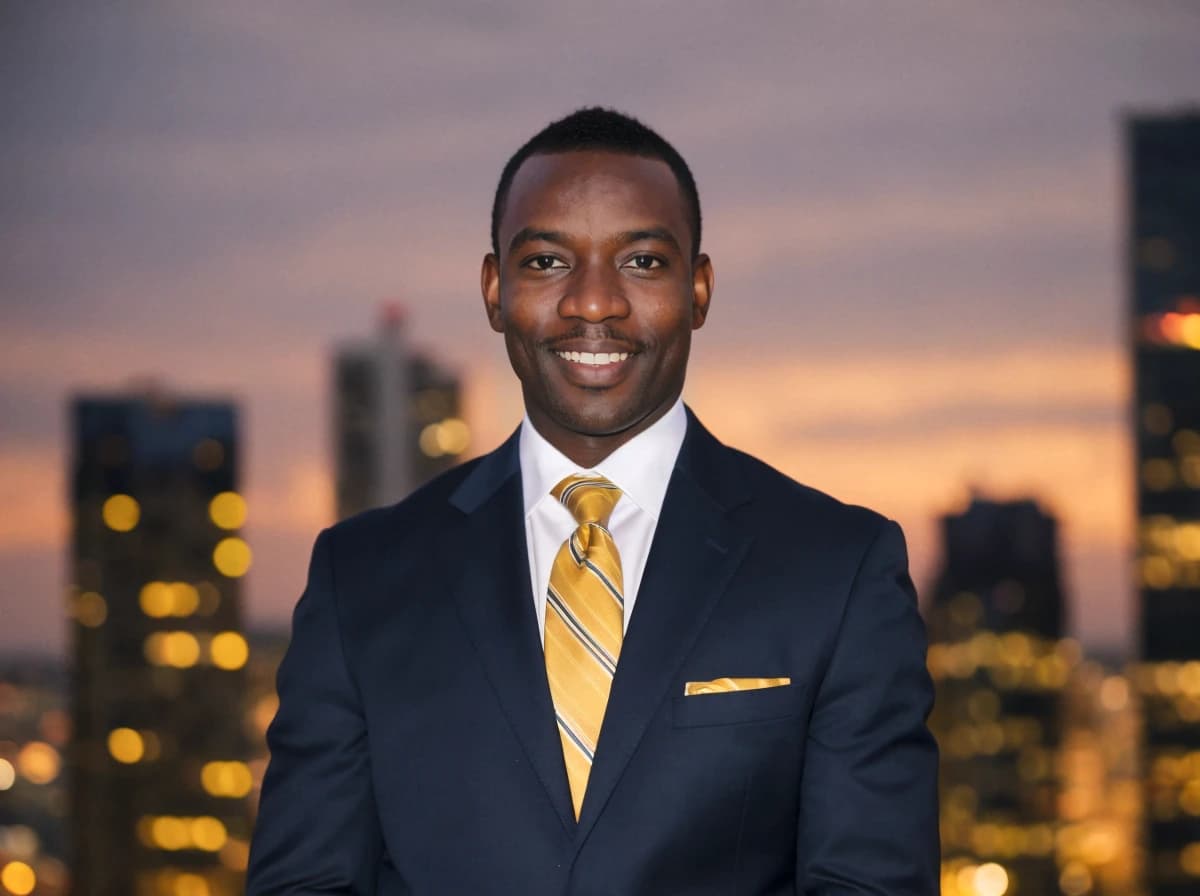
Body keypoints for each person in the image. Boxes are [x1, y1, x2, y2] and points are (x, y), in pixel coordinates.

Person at [247, 107, 938, 895]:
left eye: (642, 261)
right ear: (494, 289)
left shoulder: (838, 569)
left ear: (700, 288)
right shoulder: (360, 575)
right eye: (547, 262)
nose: (594, 303)